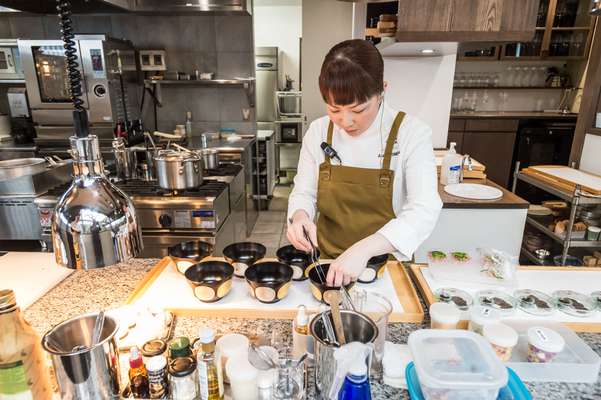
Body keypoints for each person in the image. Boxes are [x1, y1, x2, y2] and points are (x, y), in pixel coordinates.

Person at [286, 39, 442, 287]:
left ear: (382, 91)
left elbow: (424, 208)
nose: (346, 121)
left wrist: (363, 249)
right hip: (327, 265)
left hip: (385, 270)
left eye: (358, 110)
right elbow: (304, 192)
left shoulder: (411, 133)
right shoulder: (317, 132)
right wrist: (300, 216)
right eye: (334, 109)